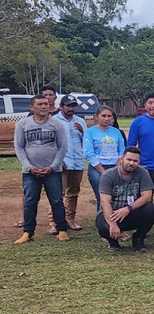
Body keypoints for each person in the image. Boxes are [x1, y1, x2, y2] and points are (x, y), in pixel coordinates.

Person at [14, 94, 70, 244]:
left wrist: (53, 166)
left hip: (52, 172)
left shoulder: (57, 124)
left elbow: (63, 147)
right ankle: (28, 232)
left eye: (46, 104)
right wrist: (28, 166)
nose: (44, 106)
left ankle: (62, 230)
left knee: (56, 201)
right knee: (30, 201)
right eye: (40, 104)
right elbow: (19, 147)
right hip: (30, 172)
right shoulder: (23, 124)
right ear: (31, 107)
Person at [95, 146, 154, 252]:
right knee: (102, 224)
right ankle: (113, 242)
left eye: (135, 161)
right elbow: (104, 201)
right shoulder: (108, 175)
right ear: (121, 159)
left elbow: (147, 197)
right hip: (113, 213)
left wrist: (128, 209)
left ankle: (138, 238)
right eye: (129, 159)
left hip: (132, 211)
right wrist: (113, 224)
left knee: (151, 209)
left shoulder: (143, 173)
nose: (131, 163)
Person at [51, 95, 87, 232]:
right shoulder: (54, 121)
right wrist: (57, 161)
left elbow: (87, 142)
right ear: (61, 106)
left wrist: (83, 132)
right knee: (57, 193)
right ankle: (54, 223)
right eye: (68, 105)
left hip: (77, 162)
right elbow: (52, 143)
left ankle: (70, 220)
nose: (71, 108)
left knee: (73, 193)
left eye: (73, 105)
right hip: (61, 163)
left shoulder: (80, 121)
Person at [84, 105, 126, 205]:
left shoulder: (116, 132)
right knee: (102, 197)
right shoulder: (89, 132)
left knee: (117, 196)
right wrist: (103, 171)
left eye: (109, 116)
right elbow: (89, 153)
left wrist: (118, 164)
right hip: (97, 168)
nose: (106, 118)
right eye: (103, 116)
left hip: (115, 167)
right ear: (96, 116)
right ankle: (102, 219)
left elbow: (122, 150)